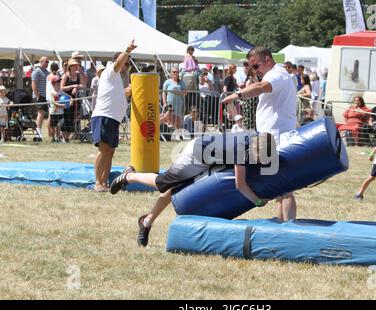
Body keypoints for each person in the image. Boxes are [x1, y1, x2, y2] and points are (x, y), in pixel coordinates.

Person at [110, 132, 274, 247]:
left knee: (176, 191)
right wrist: (258, 201)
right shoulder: (242, 151)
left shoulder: (258, 137)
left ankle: (146, 222)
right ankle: (129, 176)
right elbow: (241, 185)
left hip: (212, 157)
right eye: (258, 159)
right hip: (196, 155)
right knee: (163, 184)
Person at [221, 46, 297, 221]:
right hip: (272, 136)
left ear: (268, 60)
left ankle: (290, 229)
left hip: (277, 137)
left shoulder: (276, 74)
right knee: (280, 189)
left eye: (256, 66)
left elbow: (262, 87)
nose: (254, 71)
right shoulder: (277, 73)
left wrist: (237, 95)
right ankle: (281, 226)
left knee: (286, 190)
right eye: (251, 67)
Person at [90, 40, 137, 192]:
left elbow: (121, 94)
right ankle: (98, 183)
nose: (127, 67)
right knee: (104, 150)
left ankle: (104, 183)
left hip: (112, 119)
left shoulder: (114, 80)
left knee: (110, 151)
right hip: (104, 116)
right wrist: (127, 50)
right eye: (127, 63)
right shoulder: (110, 70)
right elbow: (118, 62)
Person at [61, 58, 85, 142]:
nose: (76, 67)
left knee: (73, 118)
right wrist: (73, 86)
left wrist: (77, 87)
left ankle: (67, 137)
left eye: (76, 65)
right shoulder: (65, 76)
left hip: (76, 100)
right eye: (74, 66)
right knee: (66, 117)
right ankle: (64, 137)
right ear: (70, 67)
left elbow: (83, 85)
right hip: (66, 99)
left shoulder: (79, 75)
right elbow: (62, 88)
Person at [31, 56, 50, 141]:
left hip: (46, 96)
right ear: (40, 62)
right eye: (45, 61)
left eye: (47, 62)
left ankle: (39, 130)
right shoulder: (37, 71)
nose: (47, 63)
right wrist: (37, 94)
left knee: (43, 114)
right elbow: (33, 83)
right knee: (41, 113)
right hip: (39, 96)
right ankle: (38, 131)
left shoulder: (47, 72)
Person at [48, 75, 67, 143]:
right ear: (53, 84)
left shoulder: (61, 92)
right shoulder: (52, 92)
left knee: (59, 126)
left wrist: (71, 99)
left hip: (60, 112)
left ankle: (58, 138)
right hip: (54, 112)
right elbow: (53, 102)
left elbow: (67, 96)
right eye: (57, 82)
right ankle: (53, 138)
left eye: (59, 82)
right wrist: (61, 105)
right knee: (53, 127)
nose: (59, 83)